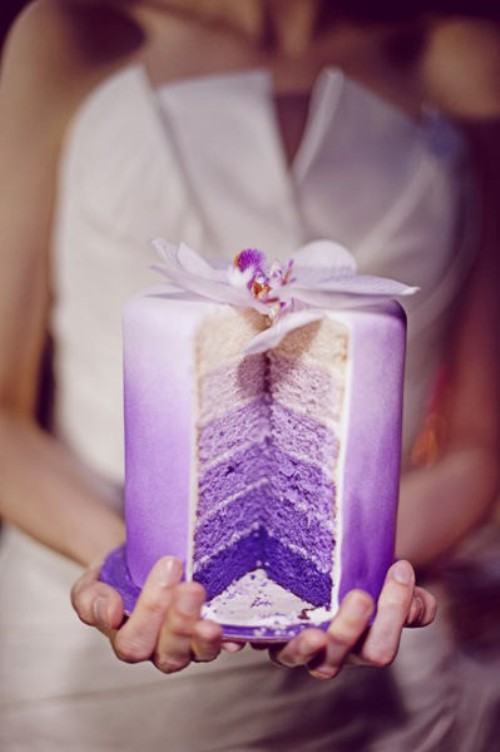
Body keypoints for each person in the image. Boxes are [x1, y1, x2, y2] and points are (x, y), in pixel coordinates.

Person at [0, 1, 498, 750]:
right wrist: (128, 565)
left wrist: (353, 576)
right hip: (86, 672)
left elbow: (477, 444)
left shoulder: (463, 57)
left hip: (371, 677)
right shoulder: (77, 31)